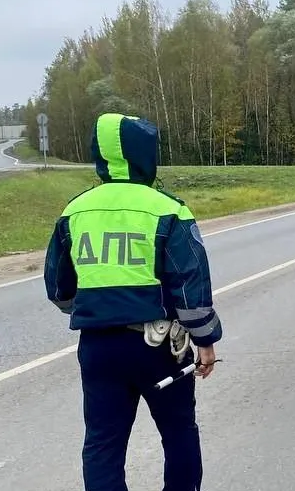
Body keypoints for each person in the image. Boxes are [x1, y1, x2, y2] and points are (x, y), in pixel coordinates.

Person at [43, 112, 222, 491]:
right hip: (158, 349)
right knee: (178, 434)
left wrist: (99, 307)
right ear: (146, 154)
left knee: (103, 444)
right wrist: (205, 341)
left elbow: (59, 289)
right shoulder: (169, 210)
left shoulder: (75, 211)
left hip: (98, 347)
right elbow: (190, 287)